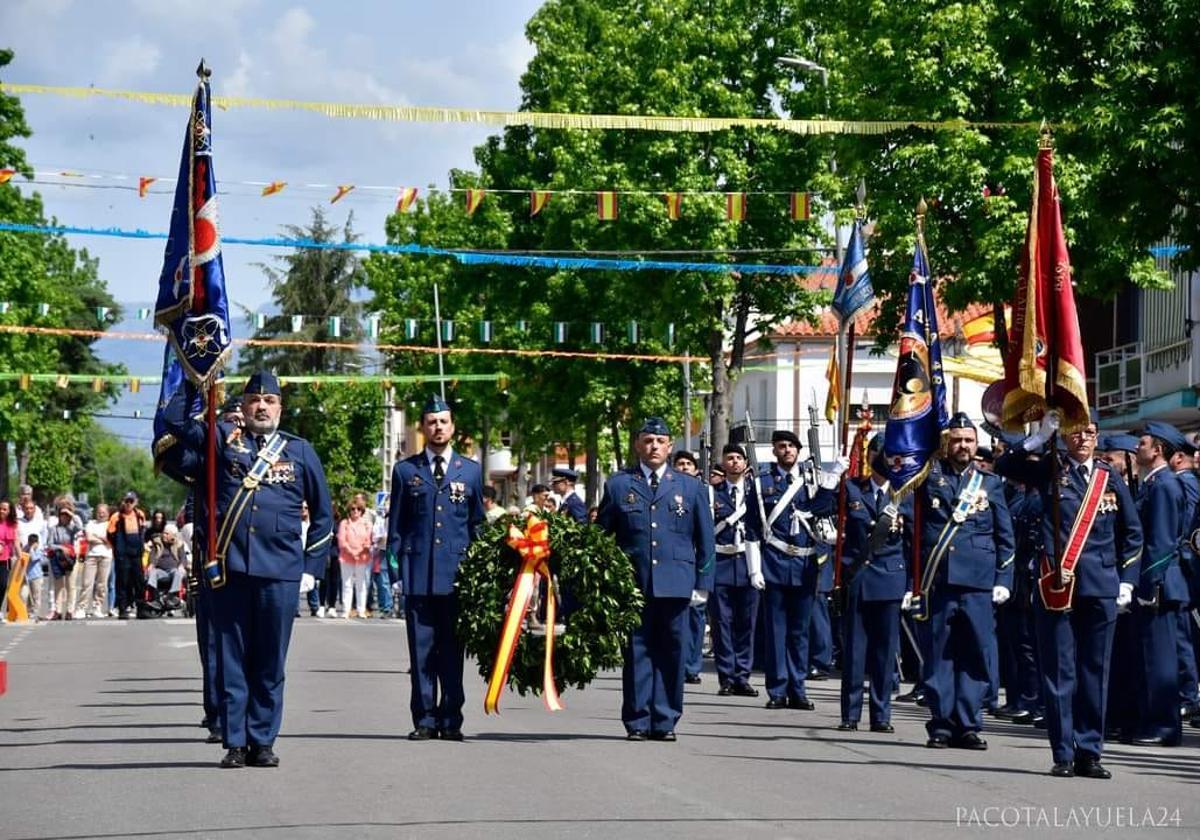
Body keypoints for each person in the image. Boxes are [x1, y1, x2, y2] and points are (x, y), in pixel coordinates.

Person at [162, 370, 334, 768]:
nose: (261, 407)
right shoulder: (222, 442)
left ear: (280, 408)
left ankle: (263, 740)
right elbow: (174, 422)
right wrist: (193, 377)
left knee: (270, 661)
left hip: (281, 572)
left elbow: (324, 515)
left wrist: (312, 567)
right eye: (254, 400)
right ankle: (236, 741)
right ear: (243, 406)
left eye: (269, 401)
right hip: (231, 569)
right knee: (232, 659)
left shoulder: (300, 451)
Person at [995, 411, 1142, 778]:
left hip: (1101, 586)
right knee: (1059, 672)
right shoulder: (1049, 470)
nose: (1083, 439)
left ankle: (1090, 751)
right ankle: (1062, 752)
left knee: (1095, 671)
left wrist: (1127, 580)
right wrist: (1038, 437)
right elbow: (1005, 465)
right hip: (1057, 584)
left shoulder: (1109, 477)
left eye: (1089, 432)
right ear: (1064, 436)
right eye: (1076, 432)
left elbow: (1133, 532)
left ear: (1097, 437)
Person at [596, 417, 715, 741]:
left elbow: (705, 540)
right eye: (648, 440)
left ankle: (665, 721)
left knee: (673, 652)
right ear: (638, 444)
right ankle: (637, 720)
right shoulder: (619, 485)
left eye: (660, 442)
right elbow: (601, 536)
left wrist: (703, 584)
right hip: (633, 582)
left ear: (670, 446)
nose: (654, 447)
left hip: (676, 583)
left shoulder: (690, 487)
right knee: (637, 652)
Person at [914, 412, 1015, 750]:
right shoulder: (928, 479)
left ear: (976, 444)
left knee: (975, 653)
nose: (963, 446)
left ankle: (969, 724)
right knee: (939, 654)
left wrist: (1004, 578)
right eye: (957, 440)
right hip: (939, 580)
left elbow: (1005, 537)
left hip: (978, 582)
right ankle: (942, 724)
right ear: (947, 443)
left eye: (969, 440)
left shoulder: (990, 483)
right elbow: (914, 531)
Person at [387, 394, 485, 741]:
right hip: (417, 576)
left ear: (453, 427)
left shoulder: (470, 471)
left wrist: (482, 572)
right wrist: (396, 574)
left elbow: (477, 525)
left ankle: (451, 718)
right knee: (421, 652)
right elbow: (396, 529)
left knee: (453, 653)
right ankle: (425, 718)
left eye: (443, 421)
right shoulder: (405, 471)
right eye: (431, 422)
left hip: (457, 577)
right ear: (423, 428)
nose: (438, 427)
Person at [756, 429, 842, 711]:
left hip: (804, 564)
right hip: (774, 562)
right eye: (782, 446)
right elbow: (754, 527)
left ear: (799, 450)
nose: (787, 450)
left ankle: (798, 688)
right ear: (774, 450)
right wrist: (754, 568)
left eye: (792, 446)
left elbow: (824, 509)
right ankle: (777, 690)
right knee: (776, 631)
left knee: (800, 632)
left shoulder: (813, 481)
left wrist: (831, 480)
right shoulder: (762, 482)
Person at [837, 436, 912, 733]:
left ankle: (881, 715)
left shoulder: (905, 494)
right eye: (877, 453)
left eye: (889, 454)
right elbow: (819, 508)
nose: (883, 459)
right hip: (858, 577)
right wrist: (831, 478)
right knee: (854, 652)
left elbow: (913, 543)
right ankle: (850, 714)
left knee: (884, 652)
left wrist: (911, 585)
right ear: (868, 456)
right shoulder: (852, 488)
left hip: (891, 578)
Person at [1126, 421, 1189, 747]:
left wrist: (1149, 585)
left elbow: (1162, 543)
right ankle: (1151, 721)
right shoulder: (1153, 483)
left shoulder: (1164, 486)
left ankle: (1165, 726)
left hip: (1160, 584)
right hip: (1154, 583)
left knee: (1160, 659)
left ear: (1158, 450)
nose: (1137, 448)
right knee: (1147, 656)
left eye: (1143, 443)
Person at [708, 443, 762, 697]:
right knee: (722, 624)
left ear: (745, 463)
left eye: (739, 458)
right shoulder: (712, 494)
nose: (734, 462)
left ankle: (742, 676)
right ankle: (726, 677)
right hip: (721, 563)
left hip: (748, 563)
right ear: (723, 463)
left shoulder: (755, 493)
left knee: (747, 623)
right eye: (729, 458)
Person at [108, 492, 146, 619]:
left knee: (139, 582)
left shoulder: (140, 515)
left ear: (136, 502)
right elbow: (110, 535)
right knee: (122, 582)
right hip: (123, 554)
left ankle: (141, 609)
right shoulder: (116, 517)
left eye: (131, 501)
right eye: (126, 501)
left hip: (136, 553)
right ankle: (122, 609)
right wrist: (118, 549)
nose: (129, 504)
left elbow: (142, 532)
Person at [45, 502, 82, 621]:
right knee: (59, 585)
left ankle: (70, 610)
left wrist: (71, 514)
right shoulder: (54, 529)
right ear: (58, 516)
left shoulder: (72, 528)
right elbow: (50, 544)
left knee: (71, 585)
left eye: (66, 515)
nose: (64, 517)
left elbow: (80, 526)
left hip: (70, 559)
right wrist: (61, 548)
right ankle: (58, 610)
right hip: (57, 558)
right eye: (62, 514)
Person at [338, 496, 373, 618]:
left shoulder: (367, 524)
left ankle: (361, 609)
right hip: (346, 557)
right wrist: (351, 552)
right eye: (353, 509)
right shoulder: (344, 523)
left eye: (358, 509)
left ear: (362, 511)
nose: (355, 511)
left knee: (361, 584)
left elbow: (368, 540)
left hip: (362, 557)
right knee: (347, 584)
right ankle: (346, 610)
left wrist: (359, 552)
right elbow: (342, 541)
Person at [79, 504, 113, 619]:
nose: (101, 514)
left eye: (103, 512)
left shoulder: (110, 525)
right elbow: (89, 538)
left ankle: (97, 606)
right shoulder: (91, 524)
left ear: (108, 513)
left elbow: (111, 541)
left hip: (106, 556)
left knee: (102, 584)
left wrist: (99, 538)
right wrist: (103, 540)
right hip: (91, 556)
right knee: (87, 583)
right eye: (99, 512)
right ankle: (82, 607)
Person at [145, 522, 188, 599]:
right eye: (164, 533)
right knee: (153, 572)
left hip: (173, 570)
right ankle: (153, 595)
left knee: (178, 573)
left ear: (173, 535)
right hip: (160, 570)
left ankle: (172, 595)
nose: (164, 535)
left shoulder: (178, 544)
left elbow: (183, 558)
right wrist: (151, 564)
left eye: (167, 534)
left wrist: (181, 566)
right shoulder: (157, 543)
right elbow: (152, 556)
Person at [0, 499, 17, 622]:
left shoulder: (12, 524)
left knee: (2, 585)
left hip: (4, 559)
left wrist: (20, 555)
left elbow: (15, 540)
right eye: (0, 509)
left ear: (10, 511)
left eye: (5, 509)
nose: (2, 511)